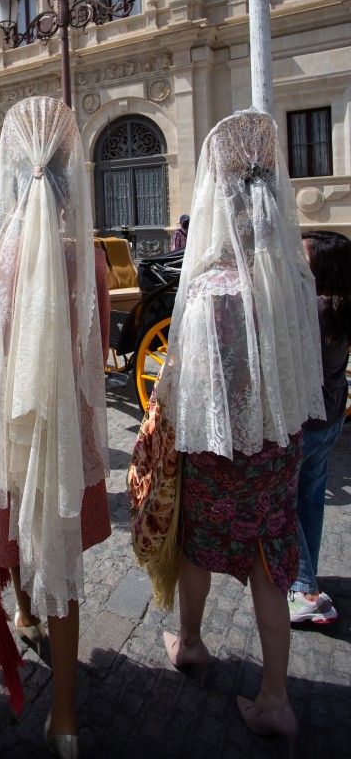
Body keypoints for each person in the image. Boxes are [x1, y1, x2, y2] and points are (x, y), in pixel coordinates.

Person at [151, 110, 325, 753]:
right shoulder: (293, 278)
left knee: (200, 545)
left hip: (223, 445)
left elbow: (187, 383)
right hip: (278, 445)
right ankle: (276, 696)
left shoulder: (211, 288)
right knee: (270, 562)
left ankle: (191, 642)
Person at [0, 96, 110, 755]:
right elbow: (102, 349)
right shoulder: (91, 257)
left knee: (25, 536)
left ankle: (24, 613)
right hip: (70, 431)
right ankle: (66, 719)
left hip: (15, 427)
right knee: (65, 567)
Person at [288, 230, 351, 624]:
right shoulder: (339, 305)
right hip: (332, 417)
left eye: (303, 255)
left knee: (283, 502)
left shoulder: (311, 307)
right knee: (310, 496)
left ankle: (306, 589)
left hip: (307, 421)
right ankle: (303, 580)